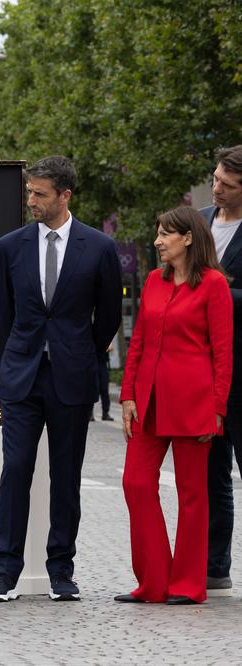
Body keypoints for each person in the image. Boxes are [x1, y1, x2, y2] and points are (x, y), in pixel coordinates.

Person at [0, 155, 122, 602]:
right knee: (16, 469)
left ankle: (62, 571)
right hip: (22, 376)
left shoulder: (99, 248)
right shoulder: (8, 246)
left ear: (65, 195)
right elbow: (4, 312)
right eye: (29, 192)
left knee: (66, 476)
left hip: (72, 377)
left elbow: (109, 319)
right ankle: (4, 572)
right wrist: (29, 348)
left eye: (40, 193)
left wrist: (76, 347)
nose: (31, 201)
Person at [116, 207, 233, 604]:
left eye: (165, 234)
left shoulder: (215, 285)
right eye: (157, 233)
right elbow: (139, 344)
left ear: (187, 238)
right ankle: (153, 580)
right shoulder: (152, 281)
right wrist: (128, 395)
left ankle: (187, 584)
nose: (157, 241)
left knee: (192, 494)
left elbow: (223, 353)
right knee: (135, 482)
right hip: (147, 402)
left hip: (193, 403)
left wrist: (217, 409)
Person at [201, 145, 242, 597]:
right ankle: (215, 568)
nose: (216, 189)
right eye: (215, 179)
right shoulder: (202, 222)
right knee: (212, 477)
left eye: (227, 186)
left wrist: (219, 293)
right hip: (202, 373)